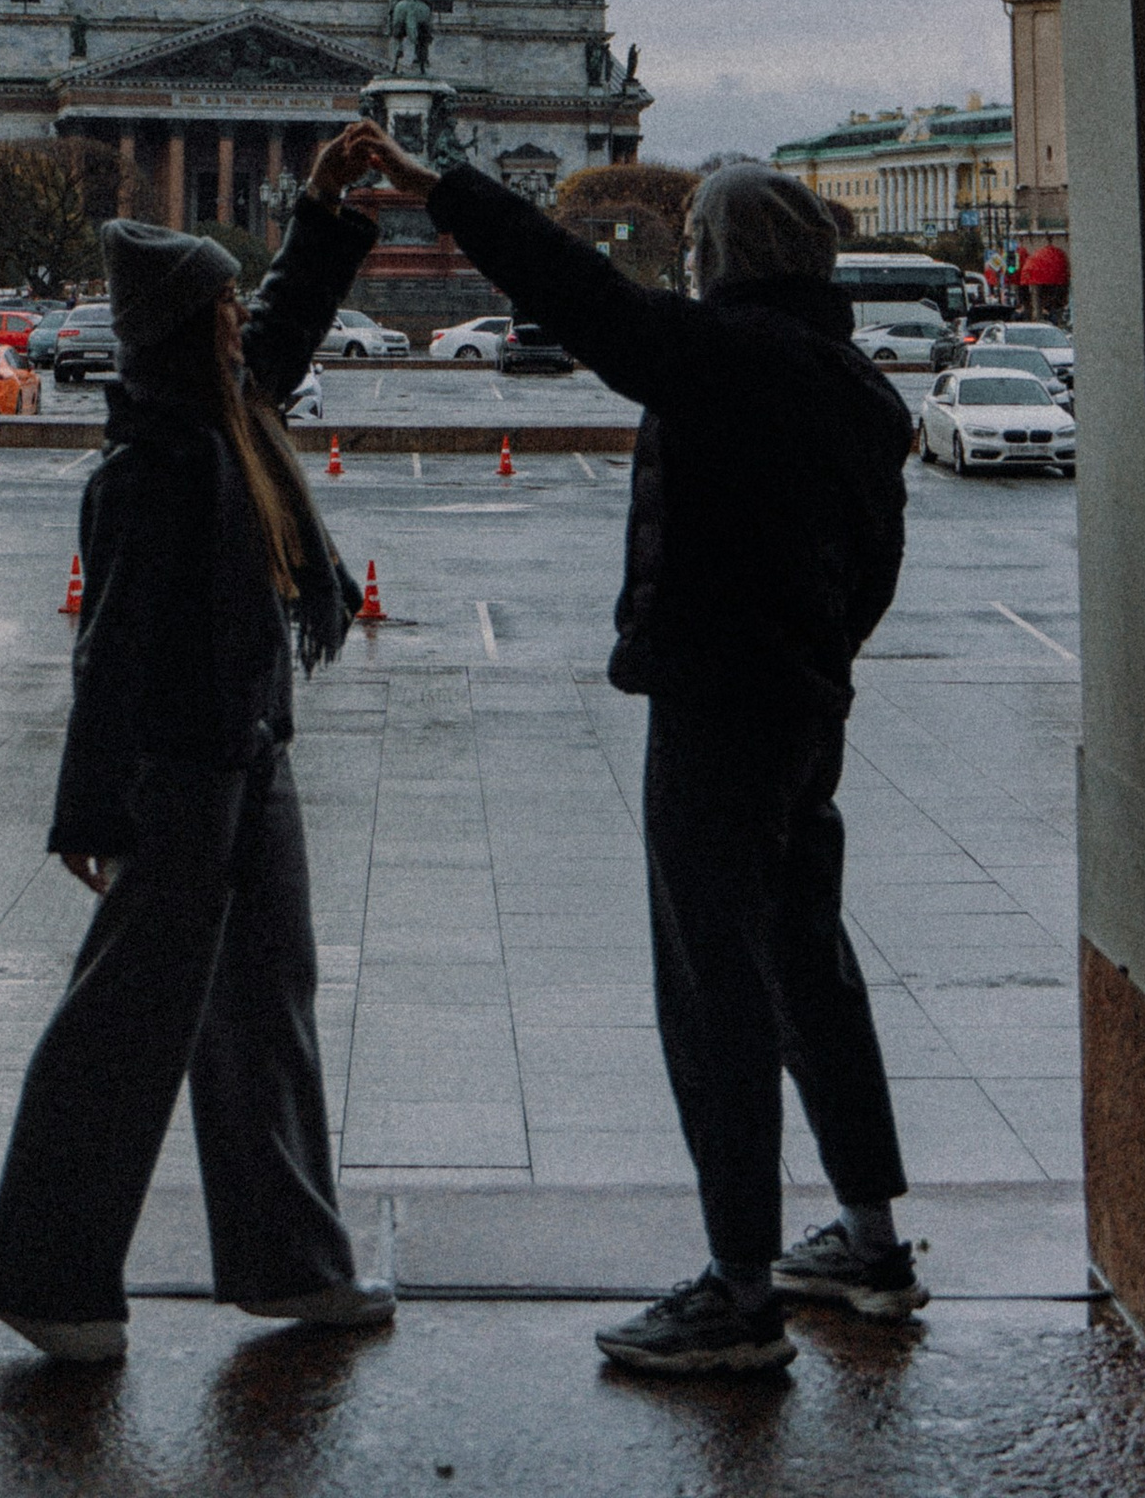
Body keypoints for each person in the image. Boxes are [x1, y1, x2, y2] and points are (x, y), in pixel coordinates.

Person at [330, 119, 920, 1378]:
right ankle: (868, 1241)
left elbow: (580, 295)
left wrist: (446, 196)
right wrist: (819, 660)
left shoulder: (723, 358)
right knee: (809, 962)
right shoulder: (851, 380)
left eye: (698, 241)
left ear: (721, 255)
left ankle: (742, 1292)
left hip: (719, 703)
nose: (689, 260)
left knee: (713, 989)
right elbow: (876, 567)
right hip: (806, 704)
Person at [0, 183, 397, 1361]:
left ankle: (291, 1266)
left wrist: (331, 214)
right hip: (179, 777)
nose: (237, 319)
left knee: (268, 1010)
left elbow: (286, 325)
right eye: (219, 303)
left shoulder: (226, 410)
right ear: (181, 325)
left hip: (251, 755)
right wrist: (90, 807)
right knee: (126, 1023)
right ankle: (44, 1275)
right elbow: (104, 649)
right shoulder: (153, 460)